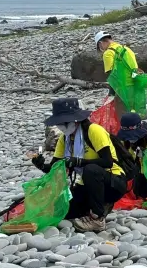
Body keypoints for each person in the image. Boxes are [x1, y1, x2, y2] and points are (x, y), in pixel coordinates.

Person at [32, 98, 126, 232]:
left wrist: (79, 162)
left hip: (113, 182)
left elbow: (108, 162)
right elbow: (54, 168)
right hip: (88, 185)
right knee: (65, 211)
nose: (60, 126)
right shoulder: (64, 139)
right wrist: (41, 165)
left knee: (90, 170)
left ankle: (97, 218)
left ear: (75, 120)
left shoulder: (94, 131)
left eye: (63, 122)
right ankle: (99, 205)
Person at [95, 31, 139, 114]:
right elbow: (135, 67)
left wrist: (111, 93)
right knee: (133, 110)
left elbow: (112, 75)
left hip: (122, 86)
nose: (101, 49)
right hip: (135, 83)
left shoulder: (108, 53)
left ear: (100, 43)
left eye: (99, 47)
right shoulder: (127, 49)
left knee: (121, 113)